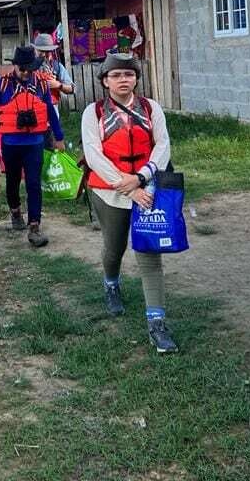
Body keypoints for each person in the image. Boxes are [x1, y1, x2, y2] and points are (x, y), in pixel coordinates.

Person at [81, 53, 178, 354]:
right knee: (115, 247)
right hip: (110, 190)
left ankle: (157, 324)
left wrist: (141, 177)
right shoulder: (93, 112)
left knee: (149, 252)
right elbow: (94, 154)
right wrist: (127, 186)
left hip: (147, 186)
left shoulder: (151, 109)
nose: (124, 80)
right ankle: (111, 284)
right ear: (105, 81)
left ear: (136, 78)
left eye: (129, 74)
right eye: (116, 75)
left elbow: (162, 144)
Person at [0, 46, 64, 248]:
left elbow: (50, 112)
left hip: (35, 143)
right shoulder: (1, 85)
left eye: (31, 69)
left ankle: (34, 227)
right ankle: (15, 211)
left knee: (34, 184)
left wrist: (59, 137)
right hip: (10, 143)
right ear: (16, 66)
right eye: (24, 69)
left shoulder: (42, 84)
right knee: (12, 181)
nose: (27, 73)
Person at [32, 33, 74, 106]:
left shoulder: (57, 66)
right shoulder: (28, 67)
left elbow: (72, 89)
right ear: (35, 50)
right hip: (32, 108)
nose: (44, 54)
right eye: (41, 51)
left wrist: (58, 85)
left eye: (47, 51)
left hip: (52, 108)